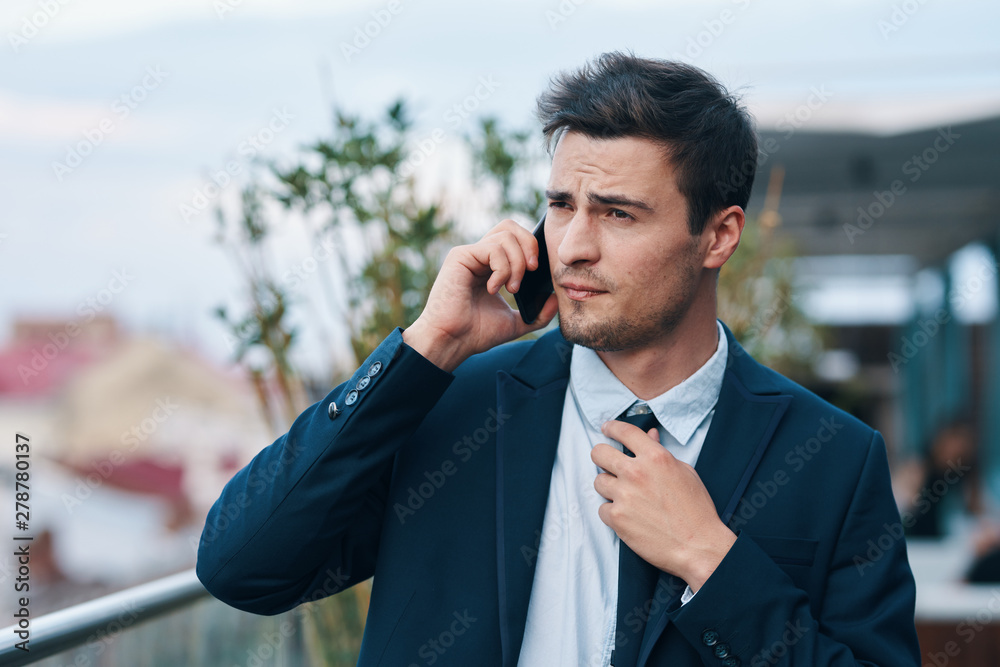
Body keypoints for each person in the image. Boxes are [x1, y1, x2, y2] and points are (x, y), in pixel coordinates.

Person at [197, 52, 920, 666]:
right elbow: (243, 566)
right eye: (561, 204)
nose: (573, 243)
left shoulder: (833, 458)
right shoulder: (448, 406)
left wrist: (713, 561)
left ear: (719, 236)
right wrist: (427, 347)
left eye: (617, 212)